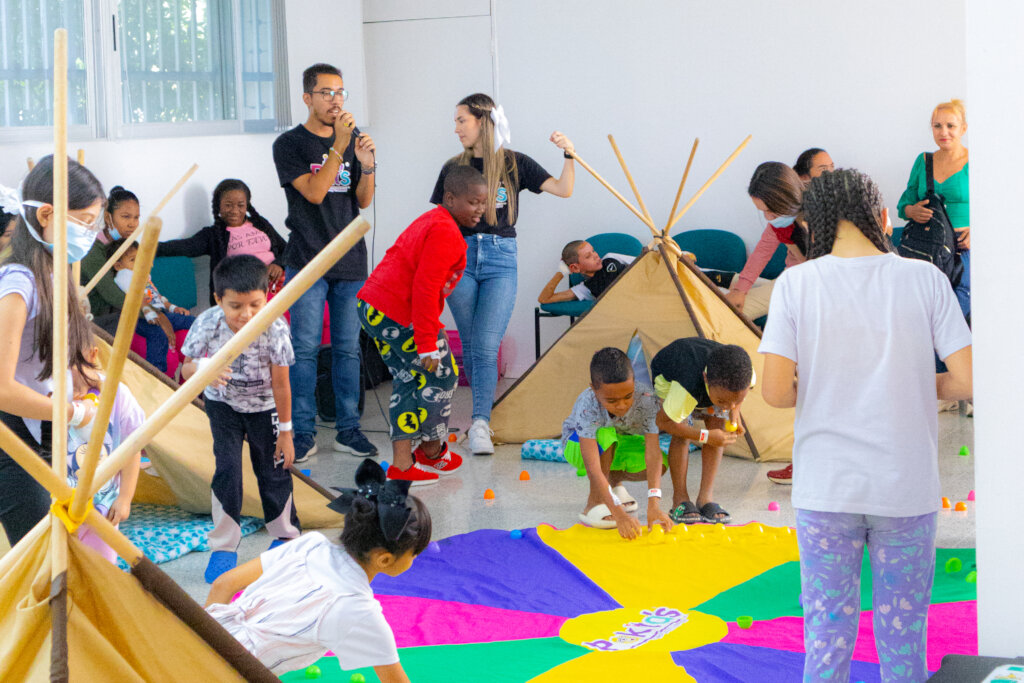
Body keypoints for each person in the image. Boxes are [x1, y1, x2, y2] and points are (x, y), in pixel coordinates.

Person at [759, 169, 972, 683]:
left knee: (826, 638)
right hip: (905, 488)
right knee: (904, 641)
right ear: (882, 217)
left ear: (814, 225)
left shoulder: (796, 284)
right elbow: (966, 379)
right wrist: (913, 380)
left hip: (826, 489)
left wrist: (827, 383)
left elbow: (775, 392)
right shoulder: (924, 278)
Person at [430, 93, 576, 455]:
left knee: (484, 345)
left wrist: (569, 154)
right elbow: (439, 220)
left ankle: (480, 423)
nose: (456, 128)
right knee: (472, 345)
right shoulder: (453, 168)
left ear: (482, 121)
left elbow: (564, 189)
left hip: (500, 259)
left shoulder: (513, 163)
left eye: (461, 120)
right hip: (459, 258)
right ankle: (478, 420)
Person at [205, 460, 427, 682]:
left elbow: (223, 584)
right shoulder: (360, 610)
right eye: (415, 553)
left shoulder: (310, 544)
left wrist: (203, 647)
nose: (416, 558)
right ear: (384, 559)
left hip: (199, 646)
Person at [272, 63, 378, 462]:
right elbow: (316, 193)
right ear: (307, 98)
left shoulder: (353, 139)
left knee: (348, 349)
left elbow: (363, 199)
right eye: (326, 93)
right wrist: (340, 144)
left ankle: (349, 430)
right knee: (304, 348)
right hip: (307, 259)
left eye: (340, 92)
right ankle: (303, 433)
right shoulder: (289, 145)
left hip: (350, 259)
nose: (336, 100)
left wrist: (367, 163)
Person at [357, 166, 488, 485]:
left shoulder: (435, 221)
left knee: (407, 379)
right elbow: (426, 288)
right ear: (450, 198)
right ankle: (431, 449)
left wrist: (429, 329)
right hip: (395, 311)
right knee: (443, 374)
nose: (479, 209)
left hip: (375, 308)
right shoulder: (446, 232)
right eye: (473, 202)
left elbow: (418, 279)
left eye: (483, 203)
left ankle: (402, 466)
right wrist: (427, 342)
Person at [0, 156, 104, 545]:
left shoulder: (53, 273)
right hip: (12, 438)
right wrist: (73, 412)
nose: (89, 234)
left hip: (46, 427)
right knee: (39, 555)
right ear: (46, 214)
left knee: (61, 549)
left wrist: (81, 376)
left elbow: (44, 360)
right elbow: (3, 388)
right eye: (83, 222)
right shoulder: (18, 282)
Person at [180, 255, 300, 583]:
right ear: (218, 300)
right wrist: (203, 368)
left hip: (266, 408)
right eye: (235, 306)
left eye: (255, 305)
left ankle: (286, 537)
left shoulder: (275, 327)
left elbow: (281, 384)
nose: (246, 314)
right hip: (224, 406)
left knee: (273, 470)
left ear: (267, 298)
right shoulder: (207, 323)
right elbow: (184, 369)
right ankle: (224, 546)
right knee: (228, 470)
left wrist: (286, 432)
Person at [561, 347, 673, 539]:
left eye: (628, 396)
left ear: (634, 383)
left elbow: (653, 454)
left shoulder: (646, 399)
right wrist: (619, 514)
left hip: (618, 442)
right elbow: (593, 467)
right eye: (612, 400)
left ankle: (612, 485)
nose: (622, 405)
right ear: (594, 389)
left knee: (660, 462)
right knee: (607, 434)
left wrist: (654, 505)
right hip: (578, 446)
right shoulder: (588, 403)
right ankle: (594, 503)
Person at [651, 338, 752, 524]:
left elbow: (734, 398)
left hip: (706, 385)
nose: (729, 406)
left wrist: (734, 412)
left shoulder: (744, 374)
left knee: (717, 425)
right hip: (672, 379)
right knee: (682, 432)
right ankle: (680, 498)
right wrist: (705, 436)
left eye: (736, 400)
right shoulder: (686, 388)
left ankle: (705, 498)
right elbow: (663, 422)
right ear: (706, 379)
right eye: (723, 401)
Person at [67, 341, 145, 564]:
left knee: (102, 569)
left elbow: (131, 447)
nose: (65, 376)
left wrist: (125, 498)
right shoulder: (49, 394)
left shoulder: (117, 394)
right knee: (63, 570)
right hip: (59, 506)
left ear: (92, 355)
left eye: (71, 365)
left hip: (103, 508)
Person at [157, 178, 287, 306]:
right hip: (246, 292)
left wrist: (278, 264)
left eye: (240, 205)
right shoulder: (213, 235)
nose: (234, 211)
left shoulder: (260, 223)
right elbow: (184, 247)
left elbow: (286, 249)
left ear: (247, 205)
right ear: (218, 206)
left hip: (277, 283)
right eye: (228, 205)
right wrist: (150, 246)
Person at [897, 99, 970, 320]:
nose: (943, 132)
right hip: (927, 249)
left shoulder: (976, 161)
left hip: (963, 249)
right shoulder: (923, 161)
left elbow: (997, 208)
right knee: (924, 312)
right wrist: (911, 211)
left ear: (963, 128)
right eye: (937, 126)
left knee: (956, 313)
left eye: (950, 125)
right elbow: (904, 203)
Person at [724, 162, 808, 320]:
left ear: (787, 200)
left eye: (771, 212)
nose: (768, 218)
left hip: (809, 284)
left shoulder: (817, 220)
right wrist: (740, 290)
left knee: (731, 314)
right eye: (763, 211)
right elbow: (762, 252)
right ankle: (719, 278)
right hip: (793, 278)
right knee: (737, 295)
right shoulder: (781, 222)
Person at [110, 239, 195, 374]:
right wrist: (148, 311)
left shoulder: (143, 275)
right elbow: (135, 296)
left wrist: (173, 308)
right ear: (118, 266)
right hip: (142, 318)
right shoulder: (124, 275)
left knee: (191, 321)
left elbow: (157, 296)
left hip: (161, 313)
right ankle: (156, 373)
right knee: (157, 334)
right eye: (132, 260)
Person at [80, 185, 141, 336]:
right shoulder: (92, 250)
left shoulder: (126, 247)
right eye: (126, 217)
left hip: (117, 316)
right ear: (108, 218)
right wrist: (151, 313)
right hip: (91, 323)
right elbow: (111, 294)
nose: (132, 224)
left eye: (136, 217)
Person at [537, 240, 634, 304]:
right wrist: (561, 272)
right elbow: (544, 299)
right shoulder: (585, 289)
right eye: (588, 256)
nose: (595, 255)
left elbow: (642, 263)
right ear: (575, 268)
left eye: (593, 251)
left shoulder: (611, 258)